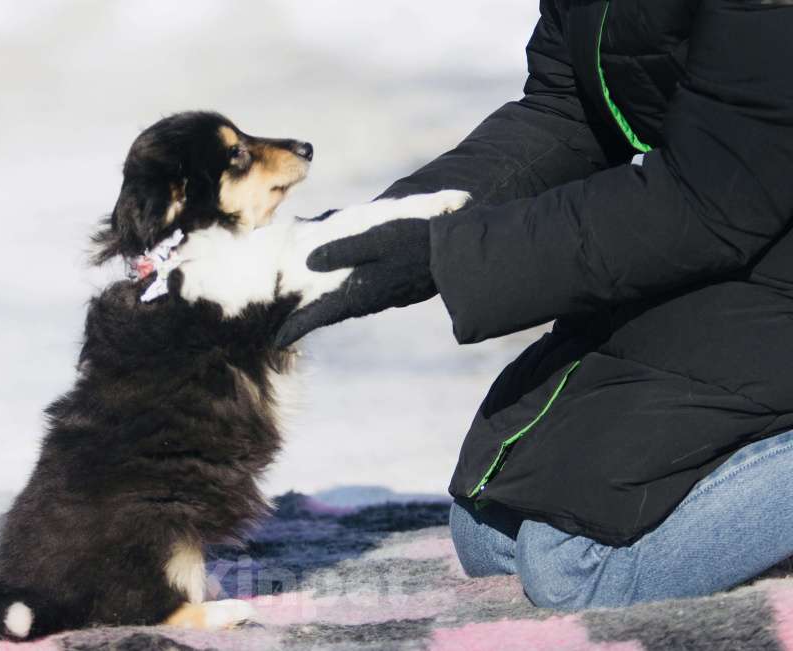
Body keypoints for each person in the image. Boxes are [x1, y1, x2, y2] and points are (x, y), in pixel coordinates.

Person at [275, 0, 793, 610]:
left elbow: (715, 194)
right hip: (749, 237)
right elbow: (566, 113)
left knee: (578, 568)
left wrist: (448, 257)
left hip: (738, 217)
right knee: (492, 529)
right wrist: (388, 228)